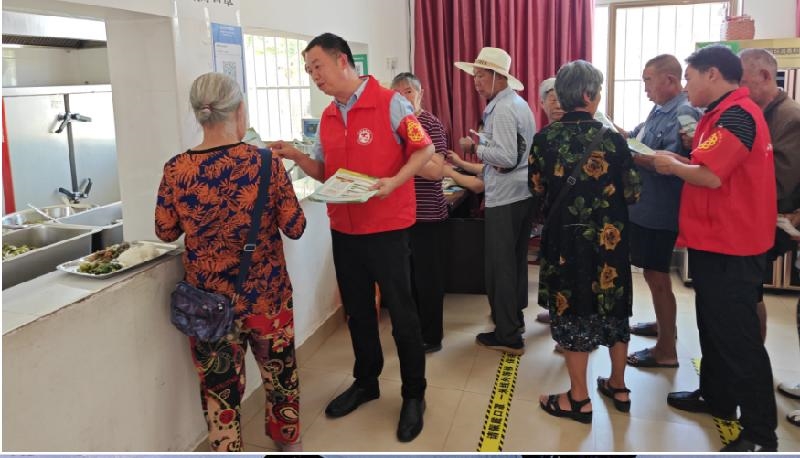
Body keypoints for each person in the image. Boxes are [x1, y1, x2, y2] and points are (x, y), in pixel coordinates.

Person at [271, 33, 434, 443]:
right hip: (345, 230)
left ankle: (414, 394)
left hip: (388, 230)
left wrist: (394, 181)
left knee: (402, 315)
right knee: (358, 313)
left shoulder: (390, 102)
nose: (313, 76)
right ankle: (366, 381)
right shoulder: (328, 117)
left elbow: (424, 149)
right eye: (308, 70)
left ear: (342, 60)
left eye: (317, 66)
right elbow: (326, 173)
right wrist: (297, 156)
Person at [155, 72, 306, 452]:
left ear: (199, 113)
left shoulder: (176, 169)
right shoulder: (266, 164)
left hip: (208, 304)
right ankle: (286, 443)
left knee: (219, 393)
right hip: (268, 298)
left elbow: (165, 231)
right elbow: (295, 227)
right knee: (280, 378)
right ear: (239, 110)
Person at [653, 45, 778, 452]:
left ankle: (760, 434)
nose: (685, 85)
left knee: (739, 340)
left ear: (712, 74)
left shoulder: (738, 115)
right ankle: (717, 397)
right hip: (715, 240)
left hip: (734, 246)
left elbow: (709, 175)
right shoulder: (718, 114)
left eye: (689, 77)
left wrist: (672, 166)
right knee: (713, 327)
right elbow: (706, 162)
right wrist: (675, 158)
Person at [529, 60, 641, 423]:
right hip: (610, 242)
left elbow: (536, 188)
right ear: (590, 95)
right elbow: (633, 192)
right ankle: (618, 385)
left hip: (566, 243)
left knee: (573, 310)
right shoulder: (613, 139)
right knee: (614, 307)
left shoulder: (545, 139)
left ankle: (578, 399)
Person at [618, 55, 702, 369]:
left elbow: (666, 163)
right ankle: (663, 326)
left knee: (657, 275)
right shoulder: (660, 109)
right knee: (653, 274)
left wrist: (628, 154)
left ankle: (666, 349)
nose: (645, 89)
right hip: (646, 207)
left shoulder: (683, 113)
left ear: (669, 80)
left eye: (648, 81)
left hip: (661, 210)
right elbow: (640, 140)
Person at [454, 47, 536, 355]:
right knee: (514, 261)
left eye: (481, 75)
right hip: (522, 193)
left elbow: (506, 157)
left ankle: (508, 335)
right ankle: (513, 319)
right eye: (474, 75)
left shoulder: (501, 109)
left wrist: (473, 148)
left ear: (499, 77)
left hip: (505, 196)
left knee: (500, 266)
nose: (475, 81)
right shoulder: (517, 104)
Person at [739, 48, 800, 343]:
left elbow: (777, 184)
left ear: (764, 76)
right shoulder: (755, 113)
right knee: (745, 294)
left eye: (741, 81)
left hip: (770, 221)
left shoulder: (789, 118)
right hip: (750, 219)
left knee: (748, 294)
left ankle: (752, 360)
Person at [391, 71, 449, 354]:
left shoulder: (430, 124)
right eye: (398, 93)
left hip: (427, 215)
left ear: (420, 94)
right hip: (399, 215)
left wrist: (404, 155)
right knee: (404, 279)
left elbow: (436, 171)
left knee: (428, 279)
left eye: (409, 92)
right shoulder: (392, 124)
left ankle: (432, 336)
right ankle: (410, 333)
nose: (403, 97)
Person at [534, 77, 566, 327]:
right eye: (551, 99)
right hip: (551, 211)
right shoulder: (543, 136)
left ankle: (565, 319)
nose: (556, 104)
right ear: (542, 103)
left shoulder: (575, 132)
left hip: (570, 213)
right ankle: (556, 311)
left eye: (560, 98)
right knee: (552, 265)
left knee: (567, 268)